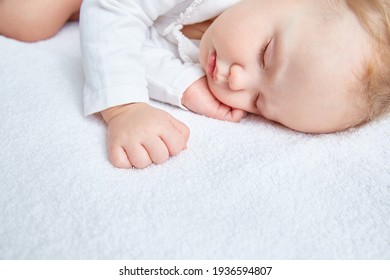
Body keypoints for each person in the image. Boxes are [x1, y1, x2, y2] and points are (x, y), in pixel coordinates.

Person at [1, 1, 389, 169]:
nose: (237, 81)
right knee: (29, 17)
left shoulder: (234, 42)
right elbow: (115, 6)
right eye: (267, 54)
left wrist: (184, 84)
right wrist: (124, 106)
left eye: (259, 102)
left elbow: (141, 40)